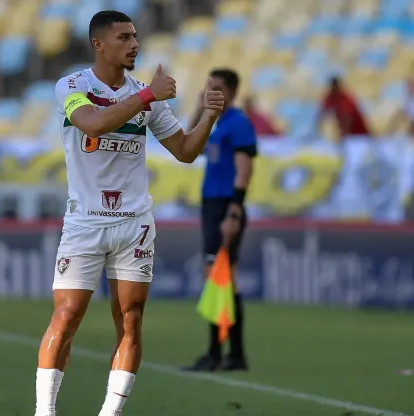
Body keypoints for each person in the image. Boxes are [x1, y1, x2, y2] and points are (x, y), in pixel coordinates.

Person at [34, 10, 224, 416]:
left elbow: (186, 152)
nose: (134, 44)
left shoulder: (145, 95)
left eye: (135, 36)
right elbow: (94, 125)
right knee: (67, 316)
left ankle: (111, 412)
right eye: (124, 37)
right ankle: (44, 411)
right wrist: (147, 96)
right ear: (99, 44)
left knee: (131, 319)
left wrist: (208, 116)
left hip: (133, 224)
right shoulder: (72, 86)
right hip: (84, 222)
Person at [182, 68, 257, 372]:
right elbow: (187, 143)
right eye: (207, 86)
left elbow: (244, 170)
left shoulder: (238, 123)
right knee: (220, 276)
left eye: (218, 88)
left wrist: (234, 211)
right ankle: (233, 355)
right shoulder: (217, 123)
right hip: (212, 206)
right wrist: (200, 108)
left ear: (233, 92)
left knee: (219, 276)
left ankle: (218, 353)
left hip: (225, 206)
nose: (211, 92)